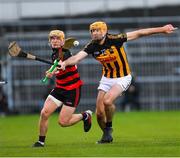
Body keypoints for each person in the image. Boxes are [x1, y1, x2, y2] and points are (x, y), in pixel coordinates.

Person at [59, 21, 176, 144]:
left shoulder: (115, 39)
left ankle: (109, 127)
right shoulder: (92, 46)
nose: (95, 33)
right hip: (106, 78)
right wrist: (65, 63)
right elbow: (77, 58)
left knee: (107, 101)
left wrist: (162, 29)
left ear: (104, 31)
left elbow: (140, 33)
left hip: (123, 77)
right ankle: (106, 136)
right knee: (99, 113)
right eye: (92, 31)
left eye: (98, 30)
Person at [33, 30, 92, 147]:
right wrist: (51, 70)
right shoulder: (54, 53)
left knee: (63, 122)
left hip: (73, 89)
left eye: (58, 38)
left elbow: (61, 64)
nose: (55, 41)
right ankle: (41, 141)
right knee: (44, 113)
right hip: (60, 88)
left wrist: (52, 72)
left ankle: (85, 116)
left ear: (63, 41)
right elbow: (56, 63)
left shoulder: (65, 53)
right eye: (52, 38)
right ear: (49, 41)